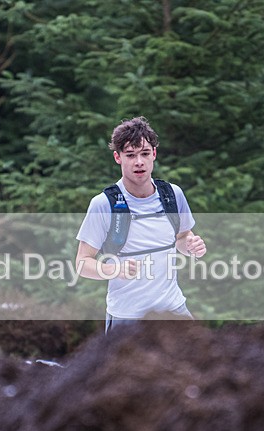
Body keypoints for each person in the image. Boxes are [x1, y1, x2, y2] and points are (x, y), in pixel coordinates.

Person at [75, 116, 206, 332]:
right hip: (126, 319)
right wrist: (113, 269)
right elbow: (82, 263)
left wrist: (192, 246)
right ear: (118, 157)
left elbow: (182, 238)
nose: (139, 162)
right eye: (131, 155)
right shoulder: (104, 204)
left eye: (145, 153)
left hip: (173, 312)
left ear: (154, 154)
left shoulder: (172, 195)